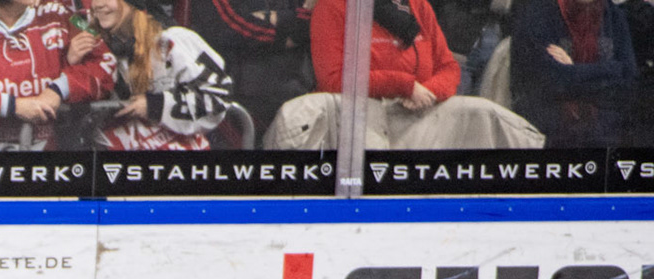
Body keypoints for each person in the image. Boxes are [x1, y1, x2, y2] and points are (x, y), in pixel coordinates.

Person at [265, 0, 543, 146]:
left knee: (491, 117)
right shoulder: (334, 5)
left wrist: (430, 91)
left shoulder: (418, 6)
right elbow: (334, 79)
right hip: (358, 123)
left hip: (417, 114)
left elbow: (448, 68)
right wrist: (403, 85)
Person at [0, 0, 116, 148]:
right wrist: (14, 106)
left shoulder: (58, 13)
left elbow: (106, 63)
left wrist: (59, 89)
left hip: (49, 165)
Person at [75, 0, 233, 150]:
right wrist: (71, 60)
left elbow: (218, 95)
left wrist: (155, 105)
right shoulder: (94, 48)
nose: (99, 4)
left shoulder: (170, 41)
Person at [508, 0, 638, 147]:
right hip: (548, 140)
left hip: (606, 138)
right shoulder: (536, 14)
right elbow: (552, 81)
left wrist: (573, 70)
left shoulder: (613, 15)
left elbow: (629, 80)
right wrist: (611, 69)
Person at [183, 0, 310, 136]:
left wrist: (268, 19)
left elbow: (309, 19)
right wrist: (287, 28)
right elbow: (228, 26)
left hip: (297, 83)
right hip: (238, 90)